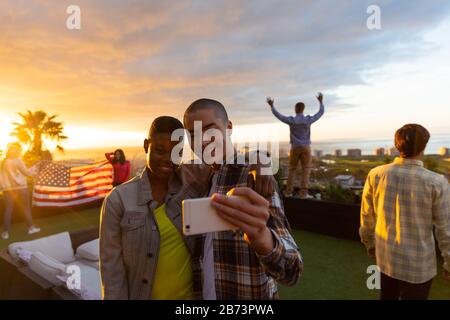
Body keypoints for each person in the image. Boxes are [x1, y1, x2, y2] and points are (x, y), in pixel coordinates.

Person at [183, 98, 303, 300]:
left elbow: (292, 270)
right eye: (193, 134)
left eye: (210, 129)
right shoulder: (197, 180)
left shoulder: (252, 177)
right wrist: (259, 155)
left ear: (228, 127)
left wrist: (262, 238)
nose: (202, 140)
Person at [360, 124, 450, 300]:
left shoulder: (376, 174)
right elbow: (445, 229)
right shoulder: (436, 182)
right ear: (424, 146)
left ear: (397, 144)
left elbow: (366, 216)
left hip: (386, 258)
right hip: (418, 266)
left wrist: (369, 243)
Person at [267, 93, 325, 199]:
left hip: (294, 147)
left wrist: (272, 106)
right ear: (303, 109)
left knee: (292, 169)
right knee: (306, 169)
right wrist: (321, 102)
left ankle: (288, 192)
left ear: (295, 109)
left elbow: (279, 116)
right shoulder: (308, 120)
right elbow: (320, 113)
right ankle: (303, 193)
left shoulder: (291, 120)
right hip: (306, 147)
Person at [1, 143, 40, 240]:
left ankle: (5, 233)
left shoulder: (3, 162)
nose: (19, 152)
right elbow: (27, 173)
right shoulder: (18, 161)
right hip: (21, 188)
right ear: (16, 151)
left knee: (8, 210)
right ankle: (31, 228)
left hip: (8, 189)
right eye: (18, 150)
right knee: (26, 208)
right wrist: (35, 167)